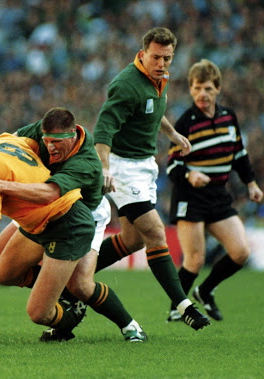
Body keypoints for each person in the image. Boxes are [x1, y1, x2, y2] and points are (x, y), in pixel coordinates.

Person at [0, 109, 147, 343]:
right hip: (41, 215)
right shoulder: (0, 142)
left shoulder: (85, 161)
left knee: (68, 292)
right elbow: (24, 145)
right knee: (1, 271)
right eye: (47, 140)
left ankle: (125, 324)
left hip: (77, 215)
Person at [92, 27, 210, 330]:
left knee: (132, 240)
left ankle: (76, 278)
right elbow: (103, 131)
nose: (161, 63)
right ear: (142, 54)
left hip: (144, 165)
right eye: (156, 57)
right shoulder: (125, 85)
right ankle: (183, 304)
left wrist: (172, 133)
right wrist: (105, 168)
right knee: (156, 233)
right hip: (121, 167)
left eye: (167, 58)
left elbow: (154, 111)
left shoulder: (160, 79)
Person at [166, 59, 263, 321]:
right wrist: (190, 174)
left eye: (208, 88)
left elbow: (239, 154)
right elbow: (172, 165)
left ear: (217, 88)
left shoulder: (229, 117)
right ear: (190, 89)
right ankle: (175, 309)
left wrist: (251, 183)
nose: (202, 94)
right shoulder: (185, 122)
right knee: (195, 259)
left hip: (218, 195)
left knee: (241, 252)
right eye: (197, 88)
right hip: (190, 196)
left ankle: (205, 291)